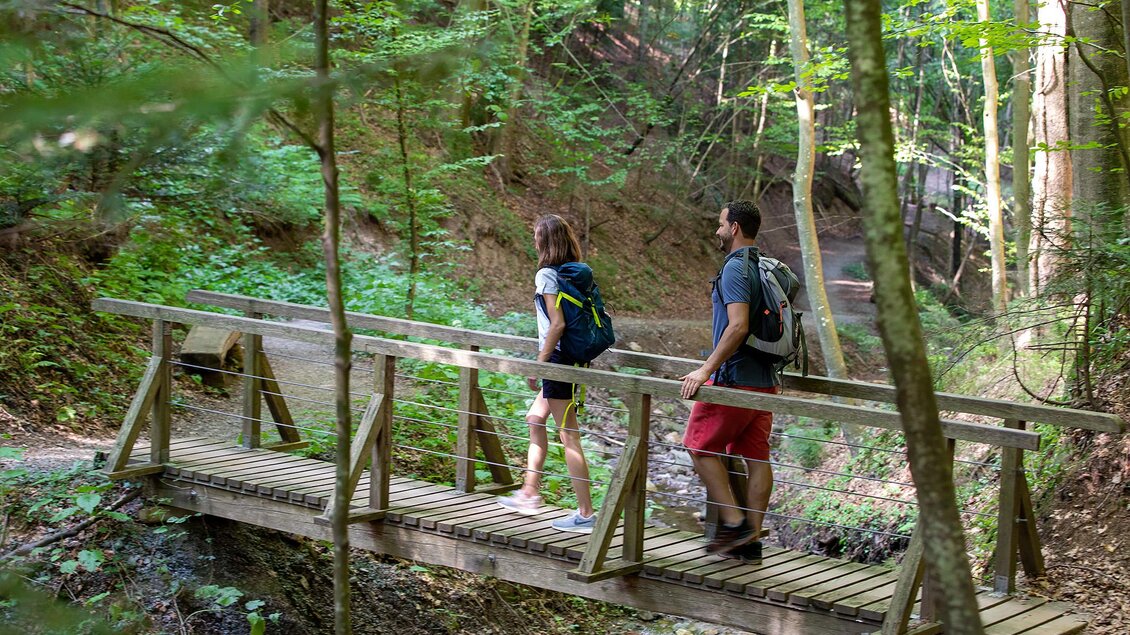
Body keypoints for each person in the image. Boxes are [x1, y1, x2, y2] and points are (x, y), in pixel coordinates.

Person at [679, 200, 780, 564]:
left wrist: (705, 370)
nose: (717, 230)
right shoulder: (762, 264)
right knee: (756, 457)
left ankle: (735, 524)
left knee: (697, 444)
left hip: (735, 381)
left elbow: (738, 326)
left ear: (734, 227)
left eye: (721, 224)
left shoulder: (736, 267)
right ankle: (751, 541)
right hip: (765, 381)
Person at [497, 214, 597, 534]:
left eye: (537, 236)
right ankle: (529, 492)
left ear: (546, 241)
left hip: (556, 361)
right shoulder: (572, 273)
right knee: (535, 418)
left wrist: (539, 365)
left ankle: (586, 514)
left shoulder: (546, 275)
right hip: (567, 360)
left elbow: (557, 324)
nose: (534, 240)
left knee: (569, 435)